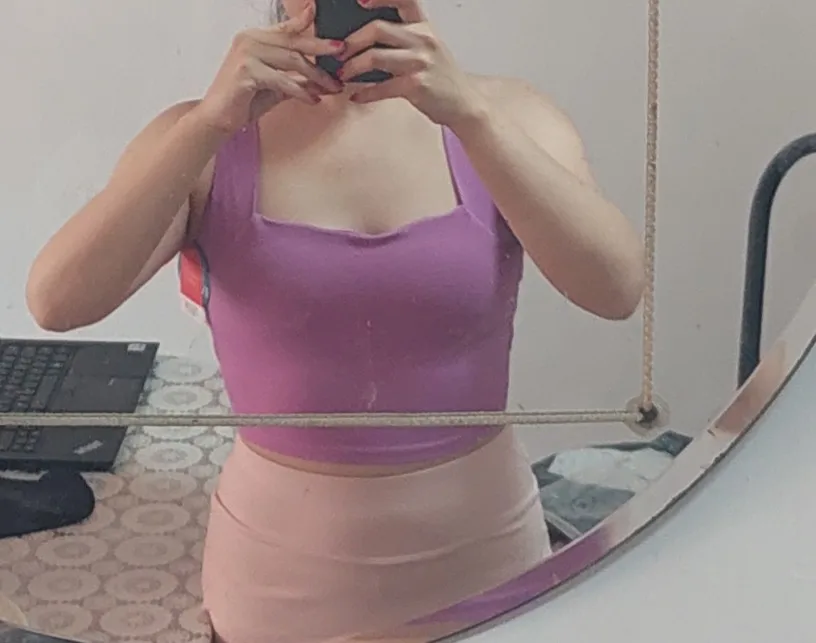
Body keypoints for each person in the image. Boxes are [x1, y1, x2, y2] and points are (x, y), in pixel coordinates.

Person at [26, 0, 645, 640]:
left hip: (489, 561)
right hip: (275, 585)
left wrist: (471, 117)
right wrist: (208, 124)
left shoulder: (506, 115)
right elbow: (58, 301)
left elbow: (616, 290)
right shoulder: (209, 139)